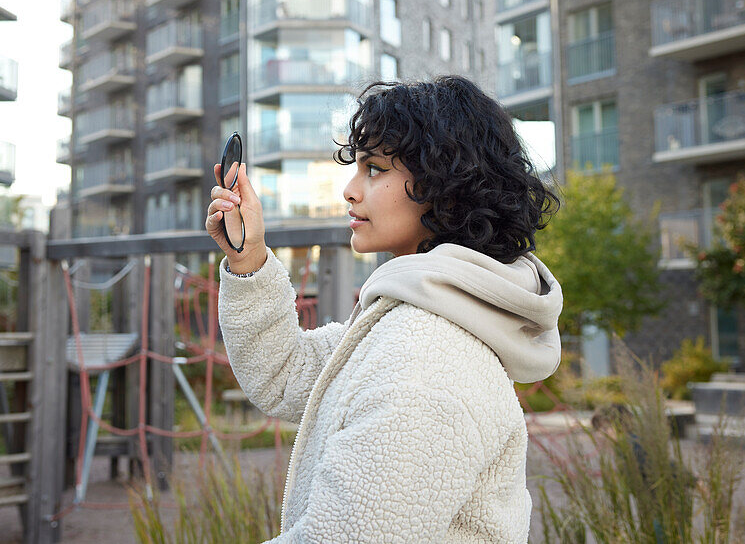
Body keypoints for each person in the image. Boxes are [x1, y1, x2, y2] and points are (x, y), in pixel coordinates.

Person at [205, 75, 564, 543]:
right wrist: (249, 259)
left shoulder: (426, 357)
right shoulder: (419, 315)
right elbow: (285, 375)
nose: (350, 190)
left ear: (447, 185)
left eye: (374, 168)